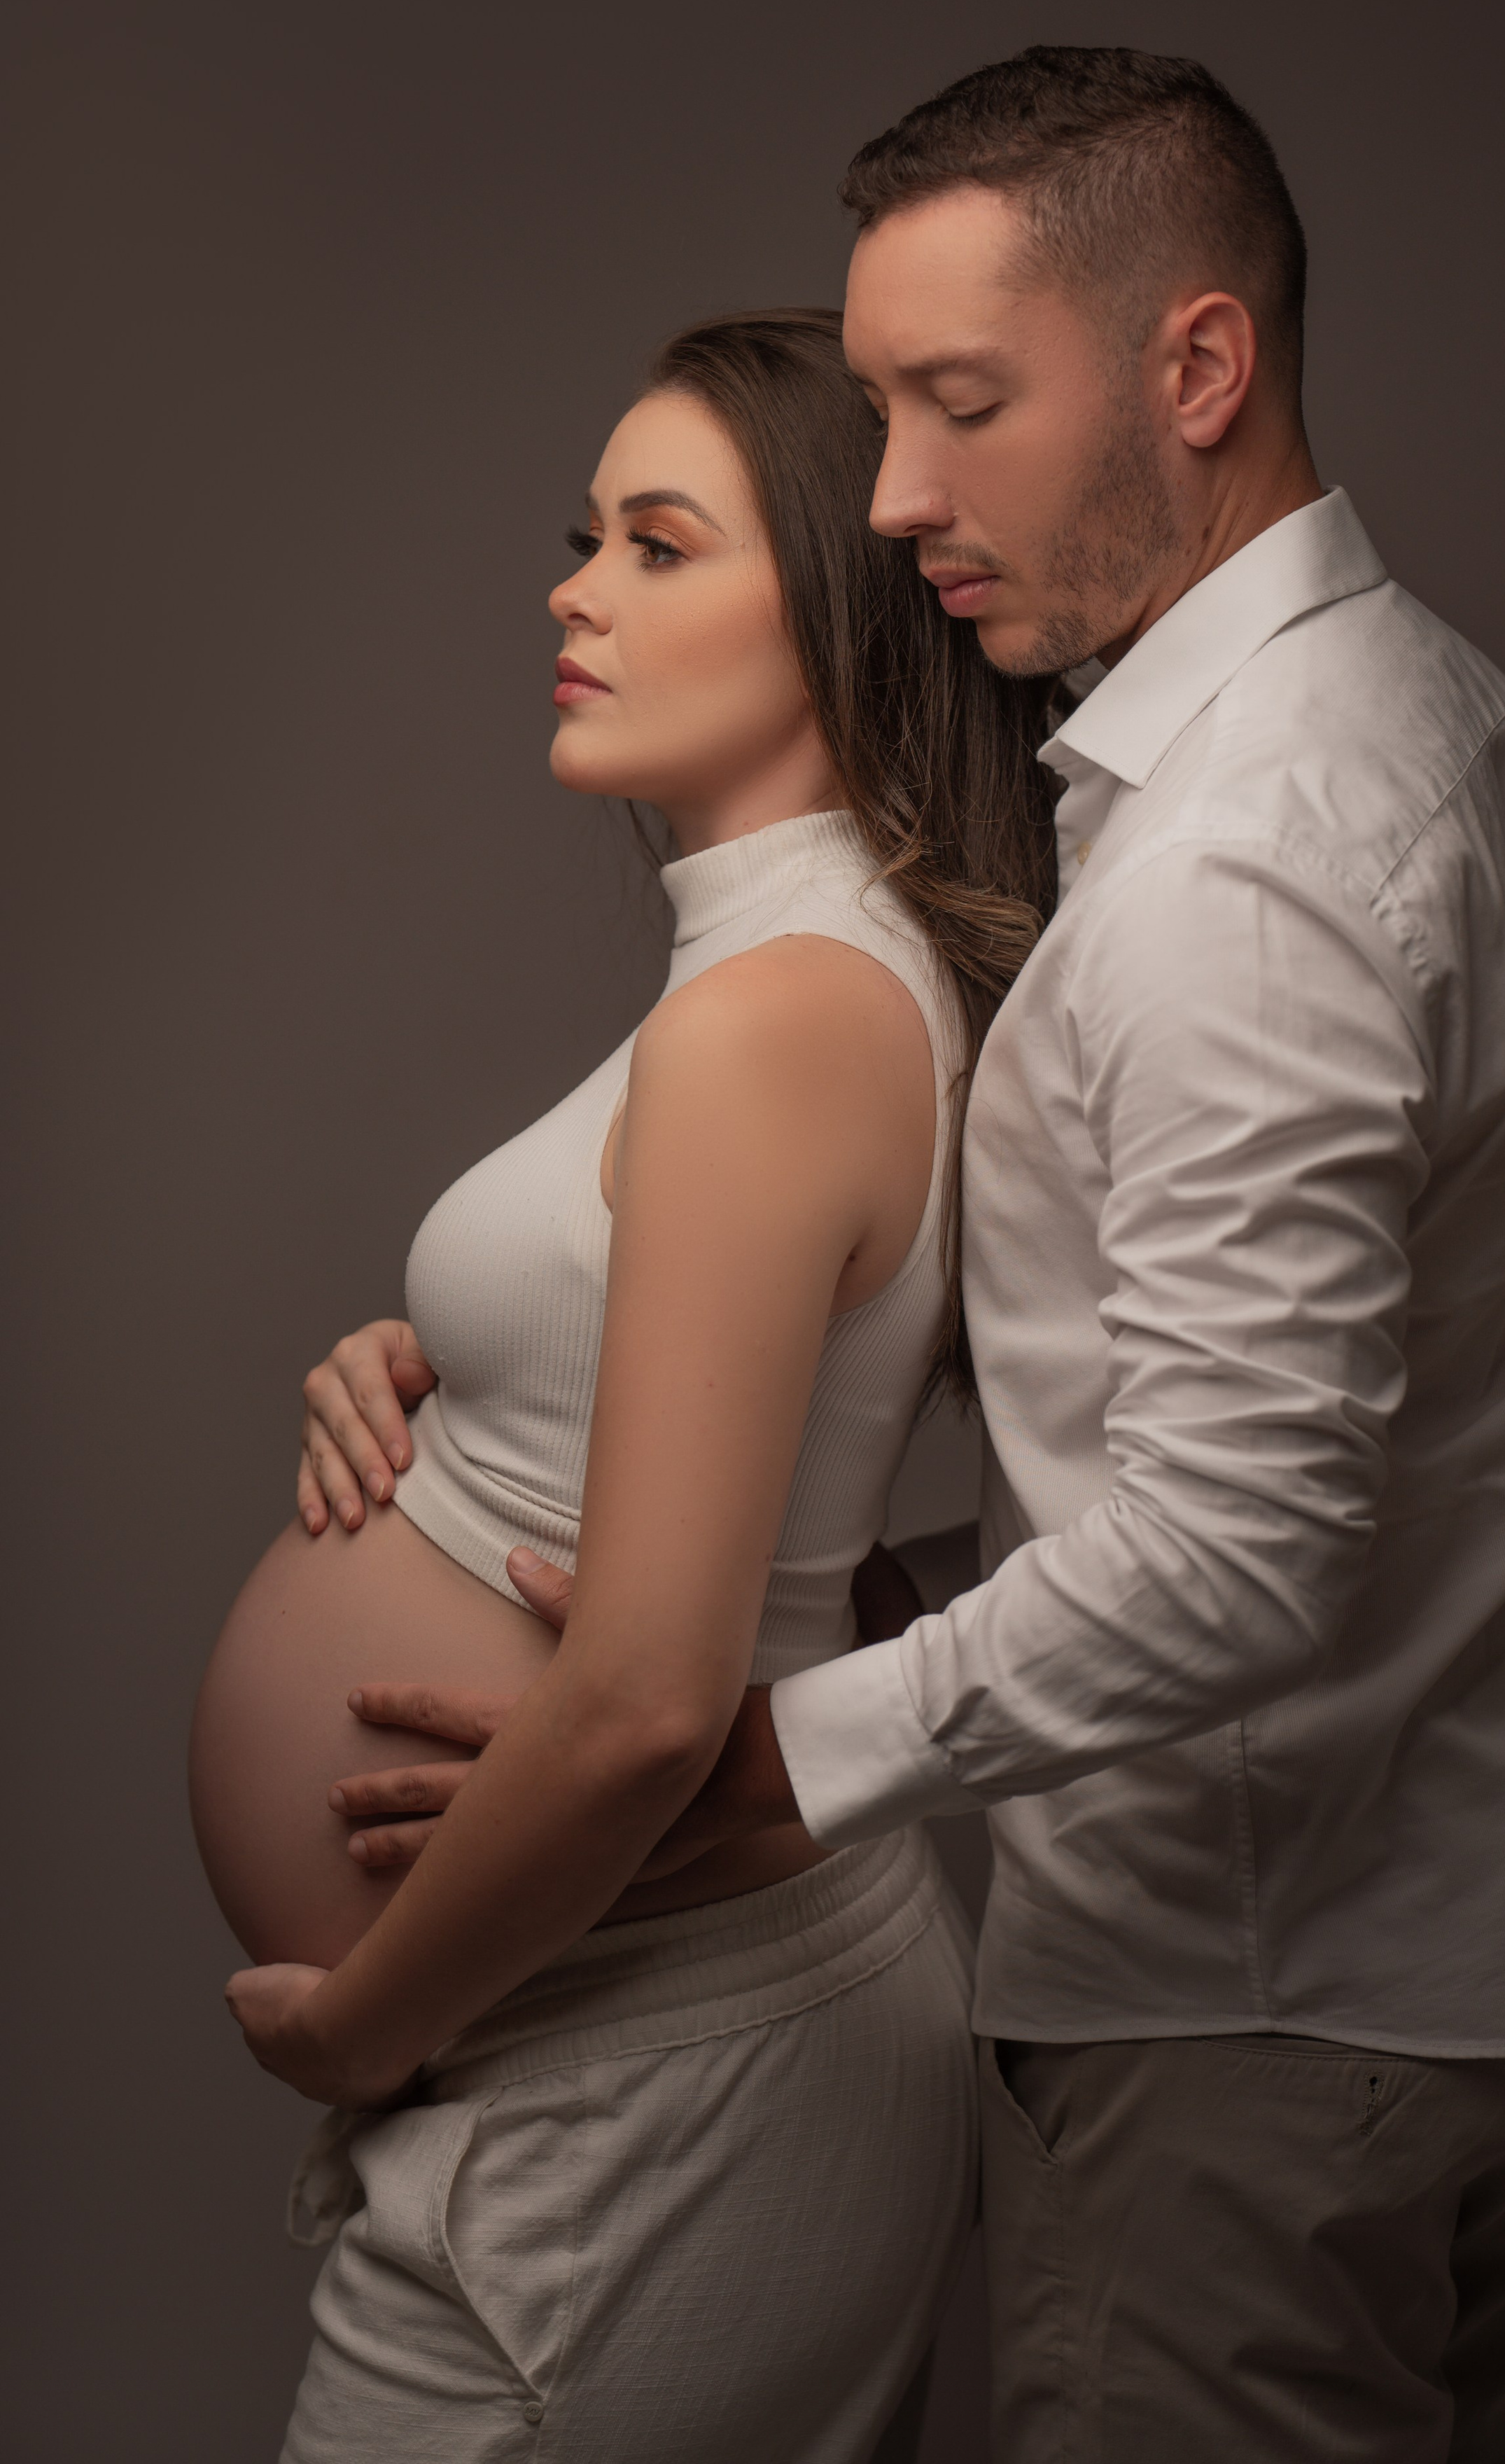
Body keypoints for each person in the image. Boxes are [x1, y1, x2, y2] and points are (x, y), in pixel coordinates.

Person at [317, 50, 1505, 2460]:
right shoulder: (1448, 726)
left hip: (1283, 2038)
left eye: (960, 406)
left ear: (1198, 367)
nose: (896, 499)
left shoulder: (1242, 860)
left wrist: (779, 1755)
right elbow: (1328, 1405)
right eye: (876, 414)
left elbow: (1243, 1542)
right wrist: (511, 1394)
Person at [207, 306, 1059, 2463]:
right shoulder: (800, 975)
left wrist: (363, 2027)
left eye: (660, 544)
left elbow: (661, 1691)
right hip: (621, 2049)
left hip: (641, 2067)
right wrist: (431, 1376)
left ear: (850, 616)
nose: (576, 592)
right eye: (584, 537)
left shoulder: (774, 1015)